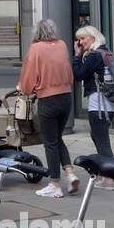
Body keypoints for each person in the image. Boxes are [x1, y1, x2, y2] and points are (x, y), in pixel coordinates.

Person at [18, 19, 75, 200]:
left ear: (37, 32)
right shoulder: (62, 45)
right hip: (66, 96)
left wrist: (24, 88)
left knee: (49, 142)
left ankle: (55, 184)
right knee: (57, 138)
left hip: (48, 99)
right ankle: (70, 173)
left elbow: (28, 78)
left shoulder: (36, 48)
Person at [73, 25, 114, 189]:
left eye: (83, 38)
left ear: (93, 37)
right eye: (79, 39)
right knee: (98, 136)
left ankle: (110, 178)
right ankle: (105, 173)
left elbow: (78, 75)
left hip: (99, 103)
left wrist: (77, 56)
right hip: (109, 104)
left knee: (101, 139)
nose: (80, 42)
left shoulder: (94, 56)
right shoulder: (108, 53)